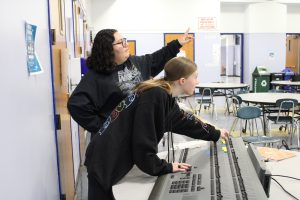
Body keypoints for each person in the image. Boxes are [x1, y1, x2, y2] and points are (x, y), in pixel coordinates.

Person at [85, 57, 230, 200]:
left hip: (107, 154)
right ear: (182, 80)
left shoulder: (163, 95)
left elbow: (186, 121)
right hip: (104, 159)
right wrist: (164, 167)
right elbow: (142, 144)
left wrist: (215, 133)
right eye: (195, 77)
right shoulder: (155, 96)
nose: (197, 82)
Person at [67, 28, 193, 137]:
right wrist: (103, 127)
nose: (126, 45)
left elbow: (157, 58)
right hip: (111, 147)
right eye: (120, 43)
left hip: (135, 137)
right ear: (107, 49)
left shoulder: (135, 63)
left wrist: (177, 43)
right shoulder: (96, 77)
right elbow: (76, 105)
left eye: (124, 40)